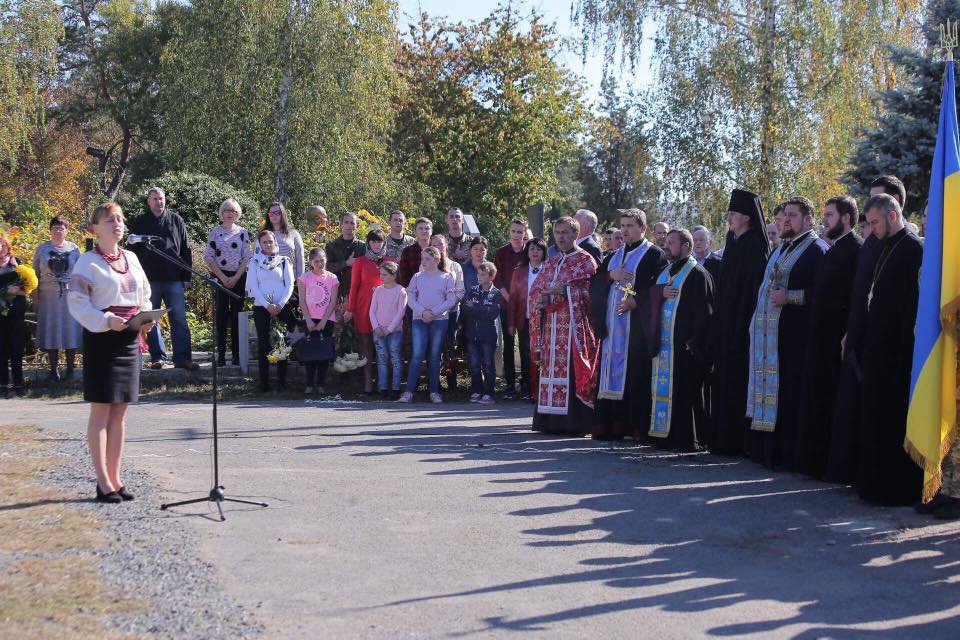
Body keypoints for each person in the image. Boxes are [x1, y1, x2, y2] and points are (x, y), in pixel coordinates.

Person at [68, 202, 154, 503]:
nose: (117, 224)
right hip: (102, 339)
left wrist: (146, 318)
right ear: (95, 228)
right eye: (109, 220)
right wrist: (106, 320)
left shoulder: (131, 257)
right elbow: (77, 303)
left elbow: (144, 295)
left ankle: (116, 480)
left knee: (120, 413)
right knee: (102, 411)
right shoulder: (86, 262)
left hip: (129, 340)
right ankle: (102, 483)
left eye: (119, 219)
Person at [825, 175, 905, 485]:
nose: (869, 223)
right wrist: (851, 331)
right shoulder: (876, 242)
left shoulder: (905, 245)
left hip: (888, 343)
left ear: (894, 206)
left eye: (874, 217)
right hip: (861, 335)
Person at [747, 197, 826, 471]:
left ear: (808, 220)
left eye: (793, 215)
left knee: (790, 395)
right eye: (784, 216)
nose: (786, 220)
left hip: (796, 338)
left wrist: (790, 297)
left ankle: (786, 455)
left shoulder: (817, 250)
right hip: (770, 339)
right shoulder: (780, 249)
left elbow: (825, 294)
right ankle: (766, 451)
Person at [857, 194, 923, 505]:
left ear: (892, 216)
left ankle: (895, 489)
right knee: (874, 417)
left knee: (892, 418)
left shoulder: (913, 249)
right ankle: (874, 484)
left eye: (874, 223)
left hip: (899, 351)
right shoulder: (887, 247)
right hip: (878, 347)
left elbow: (912, 306)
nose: (871, 229)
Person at [798, 195, 862, 478]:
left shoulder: (857, 249)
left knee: (832, 400)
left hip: (837, 340)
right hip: (819, 337)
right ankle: (815, 462)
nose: (825, 219)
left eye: (830, 215)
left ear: (846, 218)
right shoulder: (832, 250)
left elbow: (855, 298)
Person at [591, 208, 666, 440]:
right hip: (612, 328)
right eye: (622, 226)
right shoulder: (613, 255)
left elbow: (660, 287)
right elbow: (594, 286)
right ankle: (610, 427)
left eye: (630, 226)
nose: (624, 231)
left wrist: (638, 301)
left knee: (635, 375)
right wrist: (611, 276)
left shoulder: (654, 255)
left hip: (636, 330)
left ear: (643, 228)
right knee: (610, 372)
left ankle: (634, 428)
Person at [710, 188, 770, 455]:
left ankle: (735, 441)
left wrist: (739, 325)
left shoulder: (755, 245)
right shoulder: (731, 240)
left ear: (746, 216)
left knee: (737, 381)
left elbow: (750, 291)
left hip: (742, 323)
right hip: (723, 321)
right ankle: (720, 438)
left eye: (733, 213)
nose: (729, 218)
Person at [529, 216, 599, 435]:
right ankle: (550, 421)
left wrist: (565, 291)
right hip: (550, 327)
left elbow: (592, 295)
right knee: (549, 370)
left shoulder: (586, 260)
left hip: (572, 327)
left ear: (575, 234)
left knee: (570, 370)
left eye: (565, 232)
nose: (560, 236)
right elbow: (538, 290)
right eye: (557, 232)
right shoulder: (551, 261)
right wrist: (541, 299)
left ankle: (573, 423)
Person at [649, 229, 715, 452]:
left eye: (672, 243)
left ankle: (688, 439)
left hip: (685, 346)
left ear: (686, 246)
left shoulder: (698, 274)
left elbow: (705, 312)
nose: (666, 246)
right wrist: (659, 293)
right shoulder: (665, 272)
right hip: (665, 346)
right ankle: (663, 435)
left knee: (686, 392)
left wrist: (694, 341)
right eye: (666, 242)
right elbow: (649, 296)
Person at [128, 187, 197, 370]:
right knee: (151, 320)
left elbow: (185, 249)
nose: (159, 202)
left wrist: (187, 276)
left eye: (161, 198)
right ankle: (157, 357)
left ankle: (183, 358)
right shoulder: (140, 222)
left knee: (179, 319)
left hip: (174, 278)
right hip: (148, 280)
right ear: (148, 201)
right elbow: (132, 252)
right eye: (155, 199)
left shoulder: (176, 220)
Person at [399, 247, 457, 403]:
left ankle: (434, 392)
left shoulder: (447, 277)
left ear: (437, 260)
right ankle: (409, 391)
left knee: (434, 355)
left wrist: (434, 312)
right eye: (422, 258)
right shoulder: (417, 277)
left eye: (427, 259)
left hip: (439, 321)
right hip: (419, 320)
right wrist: (423, 312)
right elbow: (410, 298)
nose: (423, 262)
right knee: (417, 354)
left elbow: (451, 300)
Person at [32, 216, 82, 381]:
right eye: (55, 228)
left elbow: (81, 274)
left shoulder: (74, 249)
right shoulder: (42, 249)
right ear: (50, 230)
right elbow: (34, 276)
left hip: (70, 296)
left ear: (67, 230)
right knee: (51, 332)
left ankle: (70, 370)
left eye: (61, 228)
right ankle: (53, 371)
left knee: (70, 332)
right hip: (48, 297)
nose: (58, 231)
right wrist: (36, 299)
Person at [203, 199, 251, 367]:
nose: (230, 214)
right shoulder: (215, 232)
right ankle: (221, 355)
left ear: (237, 214)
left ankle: (237, 355)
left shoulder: (243, 232)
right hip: (219, 278)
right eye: (227, 211)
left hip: (238, 278)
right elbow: (208, 257)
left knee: (238, 317)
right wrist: (223, 278)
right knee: (221, 317)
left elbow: (246, 257)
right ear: (221, 213)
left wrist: (236, 277)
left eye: (234, 211)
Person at [247, 230, 295, 392]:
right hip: (262, 308)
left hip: (281, 308)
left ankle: (281, 382)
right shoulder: (254, 262)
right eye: (264, 242)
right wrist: (267, 305)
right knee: (264, 344)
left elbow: (289, 285)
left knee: (281, 344)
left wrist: (280, 304)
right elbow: (254, 286)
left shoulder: (284, 261)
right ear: (260, 244)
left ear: (275, 242)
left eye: (270, 241)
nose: (268, 244)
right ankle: (264, 383)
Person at [345, 229, 388, 394]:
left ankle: (383, 381)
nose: (376, 244)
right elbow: (354, 287)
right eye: (373, 241)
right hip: (364, 306)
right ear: (368, 243)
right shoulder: (360, 262)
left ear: (384, 242)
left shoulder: (390, 260)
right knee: (366, 344)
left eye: (379, 241)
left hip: (385, 307)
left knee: (384, 344)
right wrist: (350, 309)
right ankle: (368, 381)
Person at [506, 238, 547, 402]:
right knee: (527, 355)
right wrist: (510, 323)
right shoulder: (520, 270)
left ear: (544, 252)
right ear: (527, 252)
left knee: (544, 355)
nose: (535, 252)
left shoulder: (550, 269)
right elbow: (513, 298)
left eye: (538, 249)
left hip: (546, 321)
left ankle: (543, 389)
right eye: (532, 249)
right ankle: (528, 389)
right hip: (526, 320)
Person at [494, 219, 528, 399]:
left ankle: (525, 384)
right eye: (514, 231)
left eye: (520, 232)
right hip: (506, 304)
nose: (516, 235)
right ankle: (509, 385)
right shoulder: (501, 252)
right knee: (508, 345)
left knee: (525, 345)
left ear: (525, 233)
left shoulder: (529, 252)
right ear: (509, 232)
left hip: (525, 307)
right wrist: (508, 297)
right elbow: (496, 277)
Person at [462, 261, 504, 404]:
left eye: (483, 274)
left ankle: (489, 393)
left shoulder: (496, 293)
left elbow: (492, 313)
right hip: (472, 334)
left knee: (488, 365)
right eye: (478, 274)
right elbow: (465, 309)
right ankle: (476, 390)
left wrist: (475, 307)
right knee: (474, 364)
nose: (479, 277)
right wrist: (480, 308)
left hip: (489, 336)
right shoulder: (472, 290)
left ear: (491, 277)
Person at [297, 247, 338, 395]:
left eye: (322, 260)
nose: (320, 264)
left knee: (323, 353)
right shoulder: (305, 278)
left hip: (326, 319)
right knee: (310, 353)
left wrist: (323, 321)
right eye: (316, 261)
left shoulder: (332, 278)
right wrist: (308, 320)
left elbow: (333, 301)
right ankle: (309, 384)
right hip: (309, 318)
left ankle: (321, 384)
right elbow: (301, 300)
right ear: (311, 262)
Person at [430, 234, 465, 392]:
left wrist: (447, 306)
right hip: (433, 315)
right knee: (434, 347)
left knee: (450, 347)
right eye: (434, 245)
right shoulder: (425, 266)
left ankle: (452, 383)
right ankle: (434, 383)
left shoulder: (455, 266)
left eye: (440, 244)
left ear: (446, 247)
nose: (438, 247)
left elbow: (460, 291)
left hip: (451, 313)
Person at [369, 261, 406, 399]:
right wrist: (376, 327)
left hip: (394, 331)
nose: (381, 277)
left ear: (393, 275)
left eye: (384, 274)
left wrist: (389, 329)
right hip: (378, 331)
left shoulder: (401, 291)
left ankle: (396, 388)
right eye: (381, 274)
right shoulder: (378, 290)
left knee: (395, 358)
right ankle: (383, 388)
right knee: (382, 359)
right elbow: (372, 311)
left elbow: (400, 313)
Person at [0, 236, 28, 397]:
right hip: (0, 311)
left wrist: (18, 291)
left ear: (7, 246)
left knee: (17, 347)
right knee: (1, 347)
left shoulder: (16, 262)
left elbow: (28, 285)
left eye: (2, 245)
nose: (0, 248)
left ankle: (19, 383)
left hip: (16, 309)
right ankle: (4, 384)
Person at [257, 202, 305, 277]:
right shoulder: (262, 234)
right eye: (271, 213)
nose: (274, 215)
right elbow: (256, 257)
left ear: (282, 214)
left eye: (277, 213)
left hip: (291, 278)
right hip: (268, 278)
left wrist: (300, 279)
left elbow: (300, 259)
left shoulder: (293, 233)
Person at [325, 212, 366, 298]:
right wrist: (346, 263)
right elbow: (327, 267)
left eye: (352, 223)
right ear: (341, 225)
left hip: (356, 292)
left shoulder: (362, 246)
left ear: (357, 226)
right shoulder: (331, 246)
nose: (349, 225)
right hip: (335, 291)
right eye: (346, 222)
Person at [398, 218, 433, 287]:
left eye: (427, 228)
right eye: (420, 228)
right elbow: (403, 276)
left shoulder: (437, 250)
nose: (424, 231)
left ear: (431, 231)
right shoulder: (407, 251)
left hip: (436, 291)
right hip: (414, 292)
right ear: (415, 231)